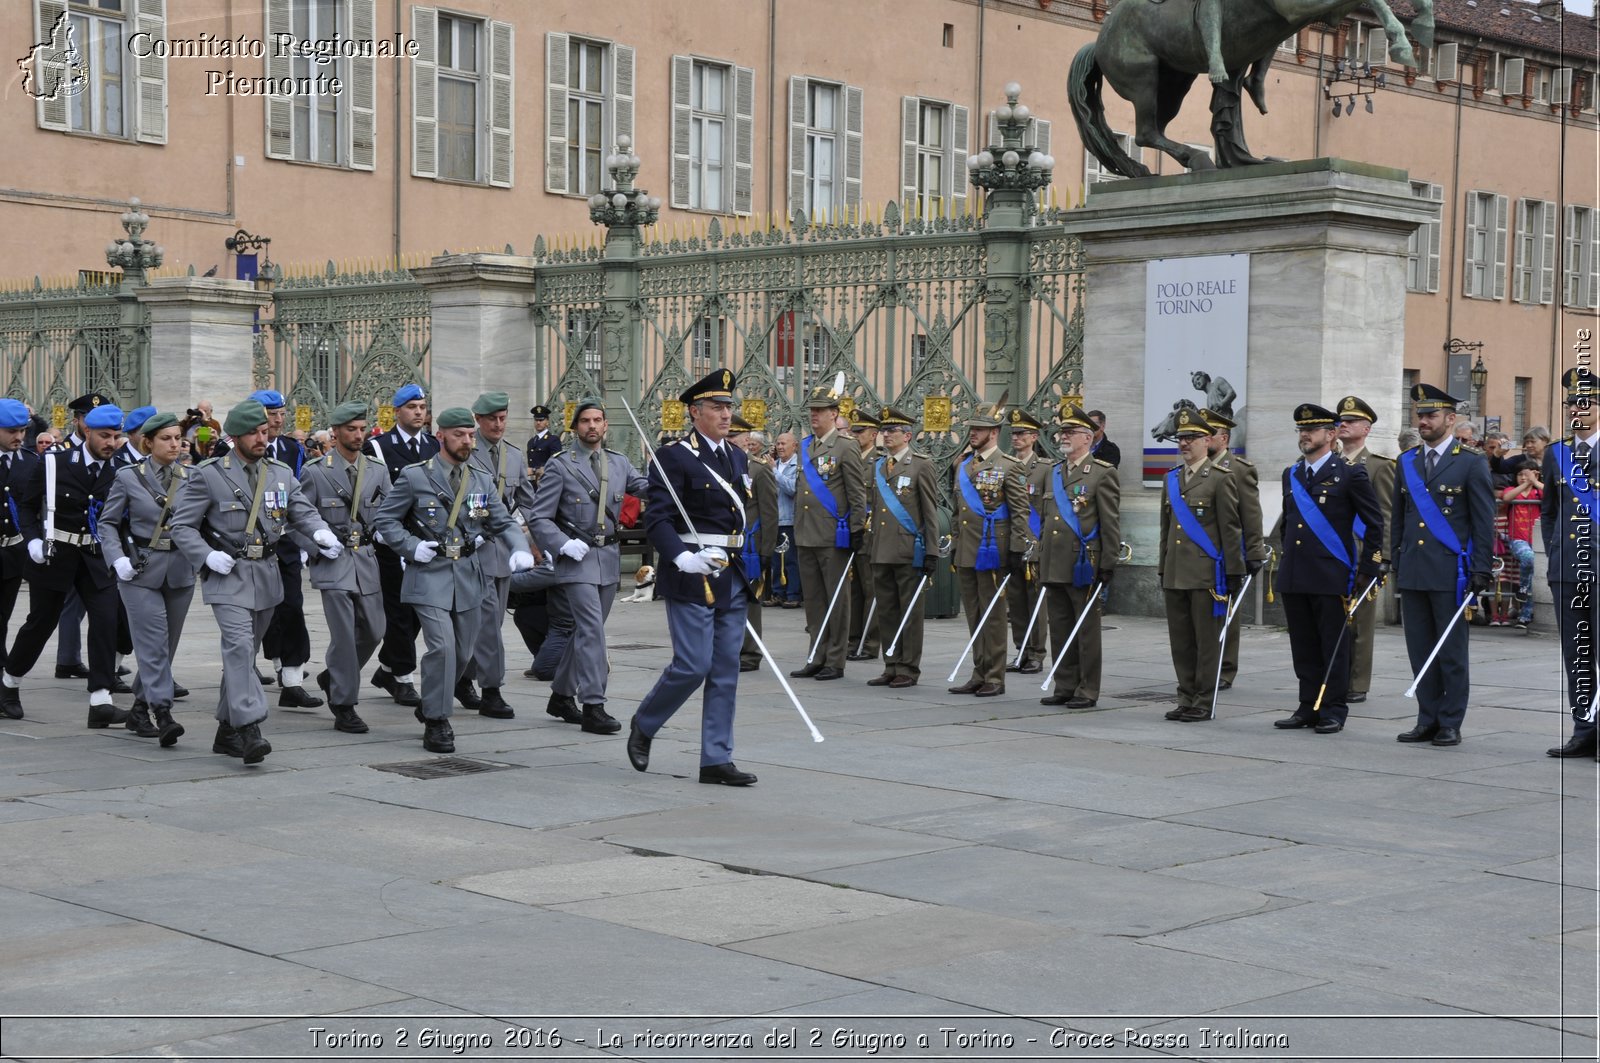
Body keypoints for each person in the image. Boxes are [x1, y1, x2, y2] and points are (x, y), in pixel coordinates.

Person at [170, 400, 342, 764]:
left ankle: (225, 730)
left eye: (264, 432)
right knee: (238, 646)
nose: (262, 438)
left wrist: (321, 532)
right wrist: (204, 556)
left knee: (244, 653)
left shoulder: (279, 472)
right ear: (236, 436)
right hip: (227, 573)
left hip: (266, 575)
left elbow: (300, 511)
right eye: (254, 433)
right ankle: (249, 726)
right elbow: (182, 526)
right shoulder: (209, 474)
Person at [373, 407, 535, 754]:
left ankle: (432, 699)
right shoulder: (417, 476)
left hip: (469, 575)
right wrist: (412, 547)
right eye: (459, 434)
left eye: (470, 435)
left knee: (462, 654)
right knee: (443, 648)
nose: (467, 440)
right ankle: (437, 720)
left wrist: (519, 547)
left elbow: (503, 521)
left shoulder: (480, 479)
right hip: (429, 574)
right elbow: (385, 520)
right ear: (440, 437)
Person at [626, 369, 759, 786]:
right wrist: (681, 557)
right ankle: (645, 723)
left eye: (728, 406)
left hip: (731, 571)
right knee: (693, 664)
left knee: (724, 668)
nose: (725, 414)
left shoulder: (736, 456)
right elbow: (659, 517)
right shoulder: (674, 456)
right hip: (694, 573)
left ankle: (716, 758)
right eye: (717, 407)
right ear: (695, 411)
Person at [0, 403, 129, 727]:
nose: (111, 443)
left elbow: (121, 519)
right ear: (87, 432)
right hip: (56, 555)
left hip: (96, 558)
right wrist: (31, 541)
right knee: (40, 624)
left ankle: (100, 698)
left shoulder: (119, 471)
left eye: (115, 436)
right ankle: (10, 682)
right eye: (104, 436)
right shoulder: (54, 463)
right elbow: (28, 508)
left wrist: (123, 555)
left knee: (104, 621)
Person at [527, 398, 648, 732]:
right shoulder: (560, 465)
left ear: (605, 425)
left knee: (585, 632)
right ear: (576, 427)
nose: (592, 426)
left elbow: (648, 487)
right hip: (576, 558)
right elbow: (539, 516)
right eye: (585, 421)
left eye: (598, 420)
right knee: (593, 631)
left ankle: (562, 695)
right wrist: (562, 544)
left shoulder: (619, 463)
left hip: (608, 559)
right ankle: (594, 703)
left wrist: (676, 473)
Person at [1270, 404, 1385, 735]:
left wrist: (1368, 569)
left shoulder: (1350, 473)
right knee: (1303, 646)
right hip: (1295, 573)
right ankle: (1308, 705)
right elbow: (1288, 524)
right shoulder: (1291, 474)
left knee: (1333, 644)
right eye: (1301, 430)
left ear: (1331, 434)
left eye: (1313, 429)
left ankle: (1333, 708)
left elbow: (1374, 523)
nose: (1305, 435)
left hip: (1331, 574)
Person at [1392, 383, 1494, 747]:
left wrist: (1482, 569)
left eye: (1431, 415)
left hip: (1452, 572)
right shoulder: (1406, 462)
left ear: (1450, 420)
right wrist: (1395, 563)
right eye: (1420, 415)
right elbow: (1400, 519)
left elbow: (1483, 520)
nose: (1423, 421)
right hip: (1415, 568)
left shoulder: (1470, 461)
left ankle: (1451, 721)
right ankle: (1427, 718)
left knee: (1450, 651)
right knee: (1421, 650)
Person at [98, 411, 195, 745]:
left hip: (181, 570)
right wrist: (117, 559)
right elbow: (107, 523)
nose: (174, 444)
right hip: (140, 570)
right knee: (152, 643)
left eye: (178, 438)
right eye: (166, 438)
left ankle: (139, 709)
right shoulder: (129, 477)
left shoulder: (192, 476)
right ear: (148, 442)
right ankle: (163, 713)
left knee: (166, 648)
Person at [292, 401, 389, 735]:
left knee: (375, 631)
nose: (358, 434)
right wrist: (315, 548)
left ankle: (334, 676)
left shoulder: (377, 469)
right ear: (335, 433)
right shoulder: (316, 471)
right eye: (351, 429)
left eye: (362, 429)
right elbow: (296, 520)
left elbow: (388, 513)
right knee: (345, 636)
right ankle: (344, 704)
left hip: (366, 560)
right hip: (333, 564)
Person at [1158, 407, 1245, 722]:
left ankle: (1203, 700)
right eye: (1181, 438)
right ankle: (1185, 695)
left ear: (1208, 440)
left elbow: (1230, 530)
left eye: (1192, 438)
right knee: (1181, 642)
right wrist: (1162, 568)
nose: (1184, 444)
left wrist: (1234, 572)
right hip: (1176, 573)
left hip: (1207, 575)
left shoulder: (1220, 480)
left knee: (1206, 642)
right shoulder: (1171, 480)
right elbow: (1165, 532)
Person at [1034, 405, 1120, 709]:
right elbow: (1046, 521)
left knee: (1085, 630)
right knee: (1059, 627)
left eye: (1070, 432)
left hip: (1084, 563)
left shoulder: (1101, 474)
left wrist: (1108, 564)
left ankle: (1087, 688)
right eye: (1062, 432)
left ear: (1087, 437)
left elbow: (1110, 523)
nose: (1064, 436)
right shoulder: (1054, 472)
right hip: (1053, 561)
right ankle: (1065, 683)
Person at [460, 391, 538, 719]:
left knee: (485, 623)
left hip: (502, 553)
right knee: (488, 622)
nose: (498, 424)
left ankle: (462, 679)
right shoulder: (464, 450)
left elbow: (530, 503)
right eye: (492, 418)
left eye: (503, 417)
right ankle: (492, 689)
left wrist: (542, 540)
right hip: (470, 552)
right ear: (478, 420)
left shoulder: (513, 456)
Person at [242, 390, 322, 709]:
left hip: (283, 541)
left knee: (292, 607)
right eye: (270, 413)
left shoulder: (290, 448)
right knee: (253, 613)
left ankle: (292, 680)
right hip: (244, 545)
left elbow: (296, 495)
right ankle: (244, 670)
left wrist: (310, 535)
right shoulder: (232, 450)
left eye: (280, 413)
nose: (278, 419)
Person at [949, 400, 1033, 697]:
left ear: (995, 432)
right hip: (967, 550)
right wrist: (956, 544)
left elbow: (1020, 512)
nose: (973, 432)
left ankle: (995, 676)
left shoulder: (1009, 466)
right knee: (974, 614)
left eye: (980, 428)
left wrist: (1015, 550)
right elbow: (959, 512)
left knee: (993, 615)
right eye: (972, 427)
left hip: (992, 550)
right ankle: (978, 671)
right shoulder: (963, 464)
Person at [363, 383, 438, 707]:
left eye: (422, 407)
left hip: (427, 541)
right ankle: (403, 678)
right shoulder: (379, 447)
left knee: (421, 611)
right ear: (397, 412)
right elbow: (369, 495)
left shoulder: (434, 445)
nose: (419, 413)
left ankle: (387, 667)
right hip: (391, 541)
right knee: (399, 612)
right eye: (412, 407)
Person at [789, 383, 867, 681]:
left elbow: (856, 493)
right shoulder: (807, 445)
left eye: (820, 411)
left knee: (837, 599)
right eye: (812, 411)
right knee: (814, 601)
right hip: (806, 534)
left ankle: (836, 658)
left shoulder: (846, 447)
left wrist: (857, 528)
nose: (814, 416)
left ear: (835, 414)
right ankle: (816, 654)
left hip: (834, 534)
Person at [1542, 369, 1600, 759]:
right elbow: (1548, 513)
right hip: (1568, 571)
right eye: (1569, 404)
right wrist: (1557, 552)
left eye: (1584, 403)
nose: (1575, 410)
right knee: (1577, 654)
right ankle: (1584, 729)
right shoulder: (1556, 453)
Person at [864, 407, 940, 689]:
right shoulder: (880, 466)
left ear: (907, 435)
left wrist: (931, 550)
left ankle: (908, 667)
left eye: (892, 431)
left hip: (909, 550)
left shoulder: (921, 465)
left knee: (909, 612)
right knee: (887, 611)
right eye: (884, 431)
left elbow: (929, 511)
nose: (886, 435)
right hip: (881, 549)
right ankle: (891, 663)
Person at [1332, 395, 1395, 704]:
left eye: (1352, 421)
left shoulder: (1378, 467)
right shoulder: (1329, 463)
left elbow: (1384, 517)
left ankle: (1357, 683)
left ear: (1367, 429)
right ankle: (1335, 678)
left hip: (1362, 553)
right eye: (1341, 420)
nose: (1343, 424)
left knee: (1360, 623)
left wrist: (1381, 558)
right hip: (1333, 552)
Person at [1203, 409, 1266, 690]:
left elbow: (1251, 515)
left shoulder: (1239, 469)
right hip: (1201, 553)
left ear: (1224, 437)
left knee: (1226, 612)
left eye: (1209, 434)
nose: (1203, 439)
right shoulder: (1197, 468)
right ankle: (1203, 665)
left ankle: (1225, 669)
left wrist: (1253, 553)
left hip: (1229, 554)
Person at [731, 416, 780, 674]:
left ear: (747, 442)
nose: (730, 442)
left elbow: (770, 513)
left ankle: (749, 653)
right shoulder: (718, 466)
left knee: (750, 601)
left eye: (734, 438)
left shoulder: (759, 470)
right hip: (725, 544)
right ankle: (726, 649)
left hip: (750, 546)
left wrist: (766, 551)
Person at [0, 399, 40, 708]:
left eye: (23, 430)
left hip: (12, 553)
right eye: (12, 431)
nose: (19, 437)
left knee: (4, 617)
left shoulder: (30, 462)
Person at [1004, 408, 1048, 674]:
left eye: (1021, 434)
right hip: (1011, 543)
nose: (1016, 438)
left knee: (1036, 602)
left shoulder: (1044, 470)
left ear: (1033, 437)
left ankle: (1037, 653)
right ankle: (1021, 649)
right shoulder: (1006, 466)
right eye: (1014, 433)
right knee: (1016, 602)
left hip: (1034, 545)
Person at [846, 408, 883, 663]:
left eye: (860, 432)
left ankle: (870, 643)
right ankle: (853, 638)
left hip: (870, 532)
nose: (855, 435)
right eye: (854, 431)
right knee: (853, 589)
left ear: (873, 434)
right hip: (848, 530)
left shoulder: (878, 462)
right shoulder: (849, 457)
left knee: (871, 589)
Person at [1500, 456, 1542, 630]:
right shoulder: (1513, 488)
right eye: (1520, 475)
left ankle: (1525, 614)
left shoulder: (1538, 491)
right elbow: (1507, 497)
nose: (1523, 478)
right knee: (1527, 558)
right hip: (1517, 538)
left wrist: (1535, 482)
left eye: (1527, 475)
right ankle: (1523, 588)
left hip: (1538, 540)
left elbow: (1553, 495)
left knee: (1532, 574)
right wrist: (1525, 484)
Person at [770, 431, 801, 608]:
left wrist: (774, 471)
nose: (780, 447)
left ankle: (793, 594)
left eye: (784, 444)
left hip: (789, 519)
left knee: (790, 560)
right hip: (774, 520)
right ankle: (777, 593)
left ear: (794, 445)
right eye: (778, 443)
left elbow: (792, 488)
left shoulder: (798, 466)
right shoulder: (774, 464)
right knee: (776, 560)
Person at [525, 404, 562, 479]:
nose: (538, 422)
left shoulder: (553, 440)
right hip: (533, 482)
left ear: (547, 422)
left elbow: (555, 464)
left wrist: (534, 470)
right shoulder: (531, 442)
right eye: (536, 420)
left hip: (548, 480)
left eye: (541, 420)